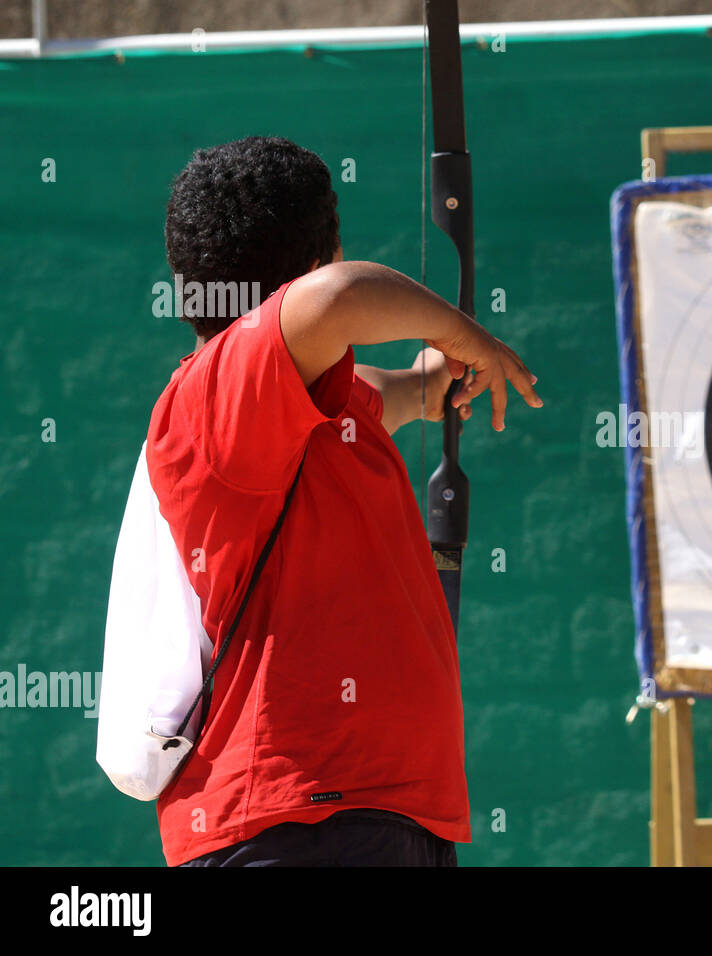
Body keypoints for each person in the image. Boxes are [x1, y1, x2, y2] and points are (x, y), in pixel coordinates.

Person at [146, 135, 540, 866]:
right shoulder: (215, 393)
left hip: (370, 811)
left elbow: (386, 395)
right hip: (298, 818)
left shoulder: (302, 404)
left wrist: (435, 381)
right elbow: (341, 298)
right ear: (321, 254)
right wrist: (463, 334)